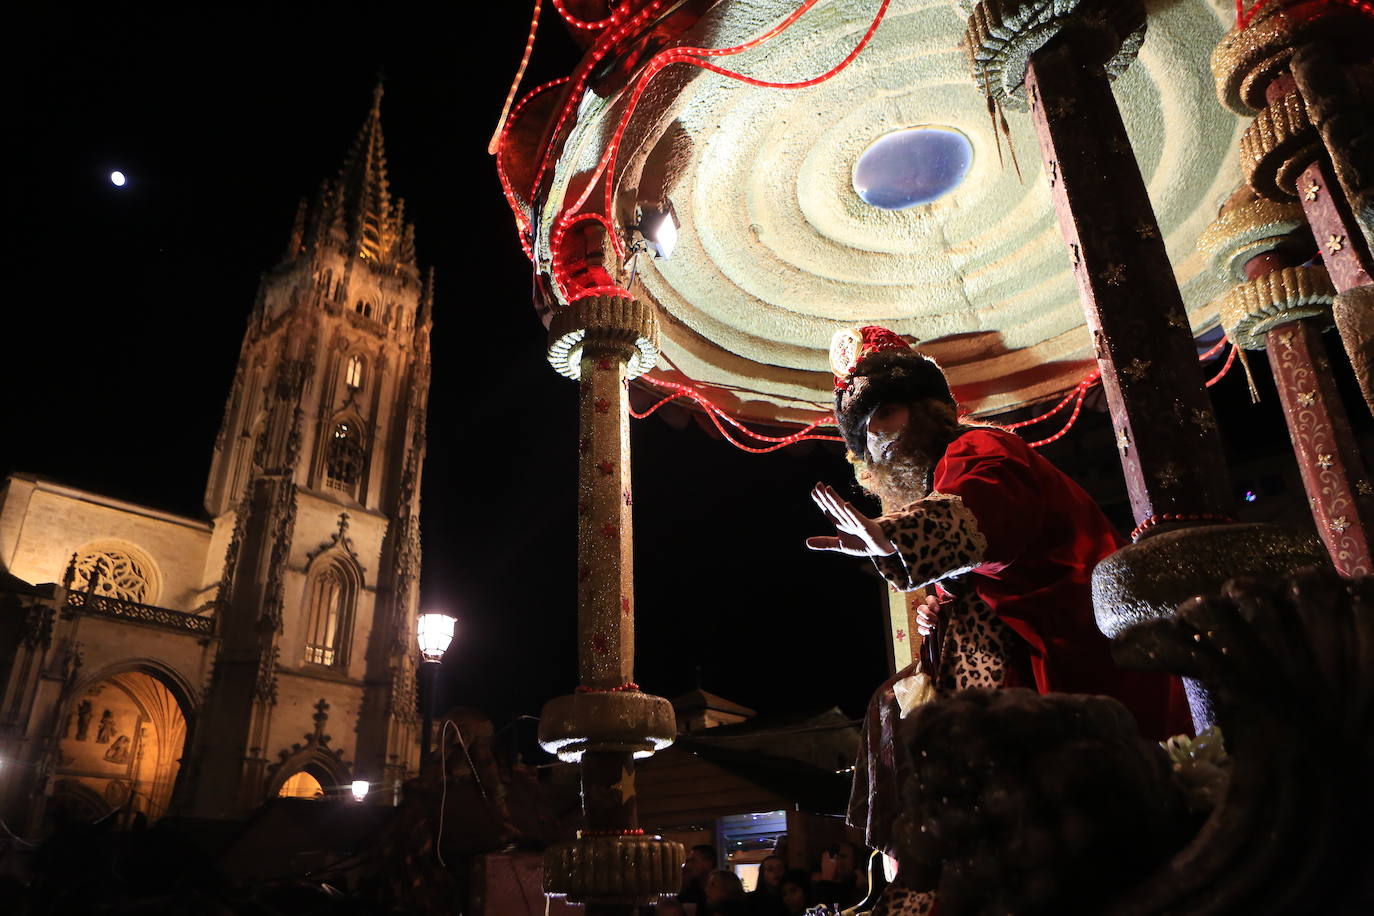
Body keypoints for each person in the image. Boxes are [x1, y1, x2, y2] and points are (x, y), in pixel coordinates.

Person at [807, 326, 1191, 892]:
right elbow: (969, 560)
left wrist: (900, 541)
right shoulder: (939, 479)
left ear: (931, 409)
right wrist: (937, 606)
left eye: (885, 413)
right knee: (891, 705)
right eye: (864, 431)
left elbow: (987, 513)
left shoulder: (979, 448)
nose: (877, 437)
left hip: (1065, 656)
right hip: (1035, 660)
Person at [811, 841, 863, 910]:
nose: (837, 861)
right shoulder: (815, 886)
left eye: (843, 856)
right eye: (833, 857)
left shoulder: (858, 891)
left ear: (855, 861)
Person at [679, 844, 717, 911]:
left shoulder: (719, 892)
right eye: (688, 861)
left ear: (708, 864)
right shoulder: (690, 889)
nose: (687, 866)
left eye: (693, 860)